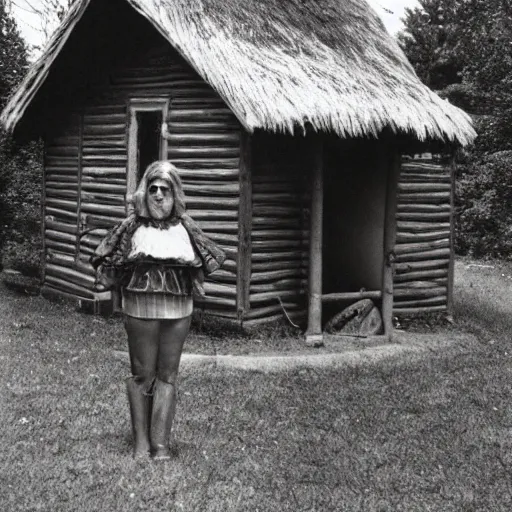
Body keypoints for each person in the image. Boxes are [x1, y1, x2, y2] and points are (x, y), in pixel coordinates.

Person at [91, 161, 226, 460]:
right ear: (145, 192)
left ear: (175, 193)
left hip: (179, 307)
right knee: (142, 373)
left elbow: (208, 260)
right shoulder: (131, 226)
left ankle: (160, 444)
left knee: (168, 374)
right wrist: (122, 267)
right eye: (153, 188)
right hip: (140, 304)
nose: (159, 195)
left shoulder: (187, 227)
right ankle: (141, 443)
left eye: (165, 189)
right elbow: (106, 261)